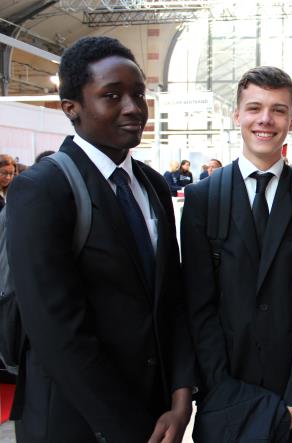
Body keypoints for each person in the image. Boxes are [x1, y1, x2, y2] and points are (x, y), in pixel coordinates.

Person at [6, 36, 194, 443]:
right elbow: (58, 335)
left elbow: (172, 297)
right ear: (71, 108)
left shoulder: (152, 185)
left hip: (157, 411)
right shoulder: (42, 190)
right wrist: (129, 428)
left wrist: (181, 398)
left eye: (138, 94)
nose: (133, 108)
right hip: (78, 420)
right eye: (112, 95)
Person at [181, 66, 292, 442]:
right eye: (254, 108)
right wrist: (219, 388)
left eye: (278, 109)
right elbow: (197, 305)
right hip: (225, 395)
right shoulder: (204, 199)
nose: (265, 119)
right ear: (237, 115)